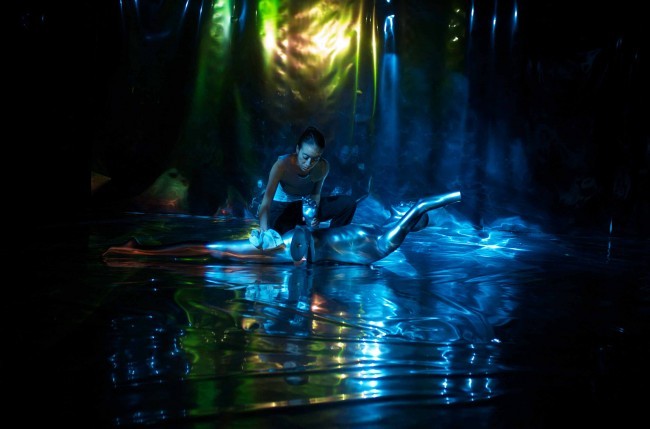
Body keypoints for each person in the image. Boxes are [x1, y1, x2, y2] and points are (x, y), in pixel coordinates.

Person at [256, 126, 358, 236]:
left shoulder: (322, 167)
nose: (309, 163)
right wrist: (264, 231)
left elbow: (315, 194)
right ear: (297, 150)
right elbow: (266, 203)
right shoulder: (282, 166)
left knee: (348, 204)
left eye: (315, 159)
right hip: (282, 209)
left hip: (304, 207)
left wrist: (312, 216)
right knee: (282, 236)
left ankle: (333, 239)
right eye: (305, 157)